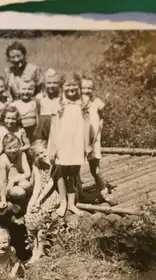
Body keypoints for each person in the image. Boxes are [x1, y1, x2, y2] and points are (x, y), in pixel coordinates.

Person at [49, 72, 89, 217]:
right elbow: (54, 128)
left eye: (74, 85)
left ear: (79, 86)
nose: (71, 88)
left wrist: (87, 145)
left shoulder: (83, 103)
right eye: (68, 85)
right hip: (62, 144)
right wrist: (53, 147)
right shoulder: (59, 104)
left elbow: (86, 125)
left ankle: (71, 203)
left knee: (73, 173)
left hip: (77, 143)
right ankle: (62, 202)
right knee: (61, 173)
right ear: (62, 86)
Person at [81, 74, 116, 205]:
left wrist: (97, 133)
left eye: (89, 88)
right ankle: (75, 193)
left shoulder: (96, 102)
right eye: (83, 88)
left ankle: (104, 192)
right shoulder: (77, 103)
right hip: (80, 140)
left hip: (94, 140)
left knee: (95, 169)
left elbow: (101, 117)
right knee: (74, 169)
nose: (86, 91)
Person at [24, 140, 60, 264]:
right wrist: (32, 202)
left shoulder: (54, 162)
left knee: (42, 215)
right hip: (41, 194)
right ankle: (33, 251)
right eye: (37, 155)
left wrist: (39, 201)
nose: (40, 156)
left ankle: (41, 249)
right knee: (29, 215)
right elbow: (38, 187)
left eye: (42, 152)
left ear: (48, 149)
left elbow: (51, 183)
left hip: (54, 193)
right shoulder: (37, 165)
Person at [0, 133, 32, 207]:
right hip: (7, 184)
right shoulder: (3, 159)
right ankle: (13, 203)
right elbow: (2, 181)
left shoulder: (21, 154)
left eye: (15, 147)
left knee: (26, 185)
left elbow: (28, 173)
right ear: (4, 148)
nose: (13, 150)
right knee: (20, 192)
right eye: (9, 148)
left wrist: (14, 180)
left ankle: (23, 204)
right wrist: (3, 200)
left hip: (17, 180)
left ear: (19, 146)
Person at [34, 68, 62, 141]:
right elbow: (37, 115)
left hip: (58, 132)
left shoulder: (62, 99)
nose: (51, 86)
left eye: (55, 83)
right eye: (49, 83)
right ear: (44, 84)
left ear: (59, 84)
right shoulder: (39, 98)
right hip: (44, 133)